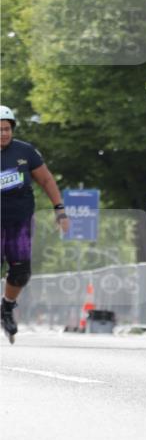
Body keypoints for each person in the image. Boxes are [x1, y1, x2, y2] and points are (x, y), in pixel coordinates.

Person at [0, 106, 70, 341]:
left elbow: (47, 180)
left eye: (7, 129)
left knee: (21, 272)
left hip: (19, 221)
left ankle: (7, 307)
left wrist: (59, 209)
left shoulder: (25, 151)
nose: (4, 134)